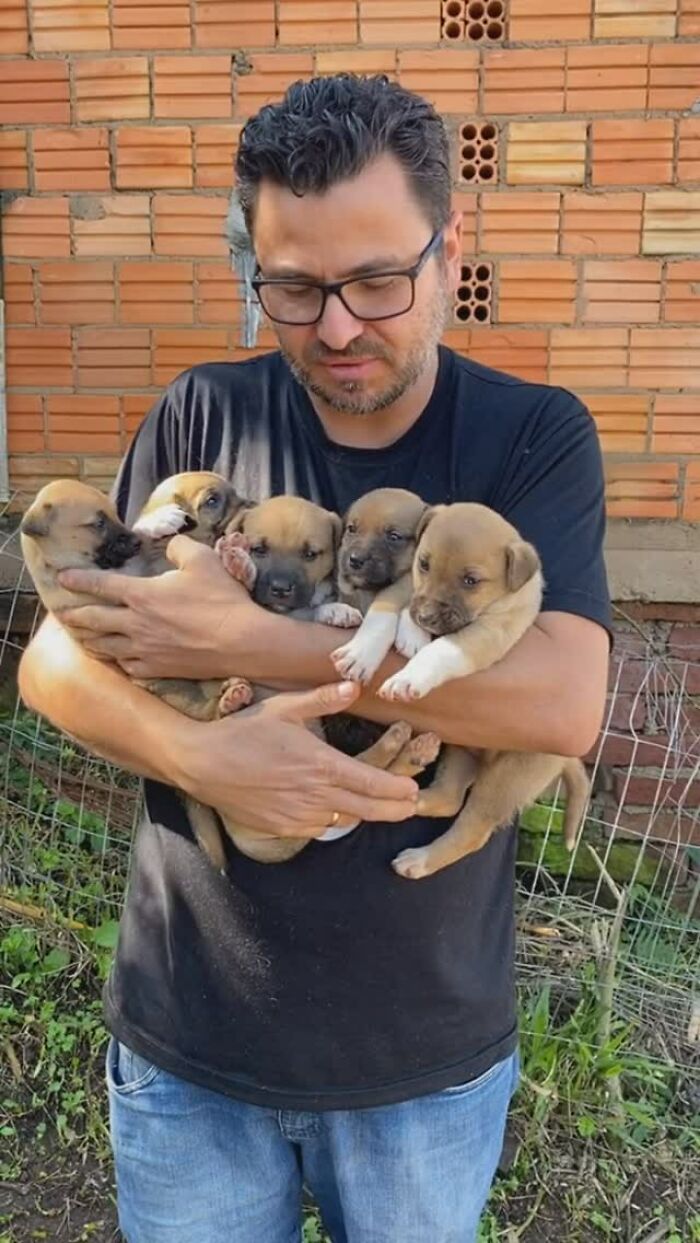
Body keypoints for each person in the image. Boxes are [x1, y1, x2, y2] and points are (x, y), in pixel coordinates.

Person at [19, 74, 611, 1243]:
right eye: (290, 286)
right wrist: (208, 758)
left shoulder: (534, 436)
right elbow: (55, 657)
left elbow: (564, 699)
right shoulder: (199, 418)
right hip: (190, 1042)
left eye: (376, 280)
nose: (335, 325)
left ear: (450, 252)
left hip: (418, 1063)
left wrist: (251, 641)